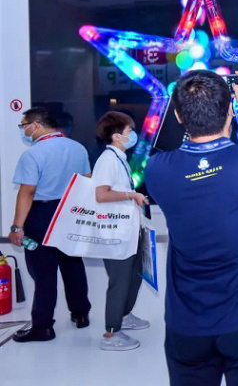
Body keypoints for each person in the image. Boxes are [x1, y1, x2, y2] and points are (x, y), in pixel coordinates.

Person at [145, 71, 238, 386]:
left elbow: (204, 191)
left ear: (179, 116)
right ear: (229, 111)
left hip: (188, 320)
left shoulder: (157, 171)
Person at [8, 107, 92, 342]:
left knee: (43, 272)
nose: (23, 130)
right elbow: (87, 183)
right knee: (73, 265)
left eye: (24, 125)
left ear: (36, 125)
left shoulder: (33, 154)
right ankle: (81, 314)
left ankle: (42, 326)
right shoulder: (78, 148)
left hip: (42, 215)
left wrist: (17, 227)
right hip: (70, 211)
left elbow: (27, 192)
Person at [92, 111, 150, 351]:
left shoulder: (119, 158)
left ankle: (124, 316)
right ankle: (111, 332)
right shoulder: (108, 160)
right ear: (116, 136)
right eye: (129, 131)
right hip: (114, 234)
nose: (133, 135)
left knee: (134, 276)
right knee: (120, 281)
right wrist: (131, 195)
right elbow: (101, 194)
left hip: (128, 230)